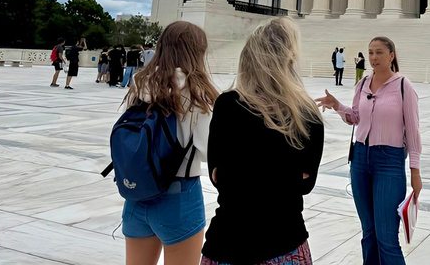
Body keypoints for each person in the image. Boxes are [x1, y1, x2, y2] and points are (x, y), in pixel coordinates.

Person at [201, 17, 325, 265]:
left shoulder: (227, 105)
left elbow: (219, 178)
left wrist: (240, 176)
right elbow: (304, 184)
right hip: (285, 242)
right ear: (290, 60)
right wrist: (284, 177)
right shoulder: (306, 113)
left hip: (227, 240)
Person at [316, 36, 422, 265]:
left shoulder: (404, 86)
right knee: (369, 233)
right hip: (361, 159)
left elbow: (413, 132)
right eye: (371, 52)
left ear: (391, 55)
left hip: (389, 162)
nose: (374, 57)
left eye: (379, 52)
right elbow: (355, 117)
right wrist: (336, 105)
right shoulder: (363, 84)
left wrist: (415, 172)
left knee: (386, 236)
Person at [121, 21, 218, 265]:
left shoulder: (140, 82)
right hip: (179, 194)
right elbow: (207, 150)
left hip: (137, 192)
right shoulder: (198, 92)